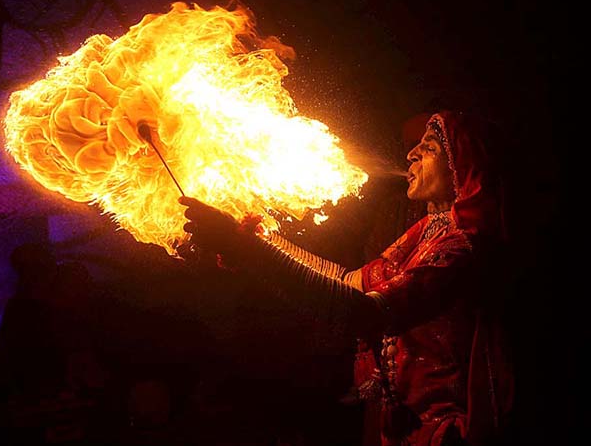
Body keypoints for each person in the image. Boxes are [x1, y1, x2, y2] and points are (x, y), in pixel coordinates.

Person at [179, 110, 514, 446]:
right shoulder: (427, 233)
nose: (411, 154)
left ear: (464, 165)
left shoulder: (463, 248)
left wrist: (250, 251)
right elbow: (348, 280)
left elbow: (359, 313)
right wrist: (259, 240)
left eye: (429, 148)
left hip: (446, 436)